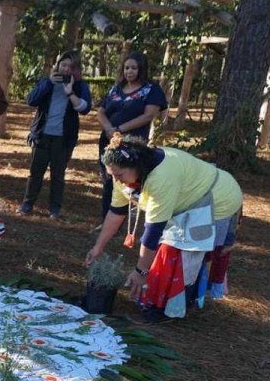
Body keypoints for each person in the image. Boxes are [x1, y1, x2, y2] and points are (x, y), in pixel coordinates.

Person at [86, 134, 243, 323]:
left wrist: (140, 272)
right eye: (112, 175)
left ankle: (169, 309)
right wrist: (98, 247)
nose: (116, 181)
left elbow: (153, 232)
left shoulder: (161, 177)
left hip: (217, 199)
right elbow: (116, 212)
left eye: (119, 175)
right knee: (167, 252)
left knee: (178, 254)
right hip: (187, 199)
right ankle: (162, 301)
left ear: (137, 166)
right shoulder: (124, 176)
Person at [18, 51, 93, 219]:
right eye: (63, 65)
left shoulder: (80, 85)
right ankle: (27, 204)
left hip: (64, 138)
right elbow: (31, 100)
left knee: (58, 174)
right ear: (58, 65)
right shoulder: (47, 82)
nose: (66, 69)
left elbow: (85, 109)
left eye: (70, 67)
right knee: (36, 172)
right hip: (42, 135)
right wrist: (49, 83)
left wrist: (70, 92)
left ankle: (55, 208)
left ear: (75, 69)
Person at [96, 52, 168, 220]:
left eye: (134, 68)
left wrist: (120, 129)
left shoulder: (151, 89)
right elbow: (101, 111)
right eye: (127, 68)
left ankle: (129, 222)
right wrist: (109, 128)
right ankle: (106, 219)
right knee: (109, 179)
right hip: (109, 141)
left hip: (133, 143)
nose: (129, 71)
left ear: (141, 69)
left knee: (131, 181)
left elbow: (149, 115)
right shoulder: (116, 89)